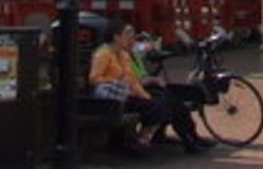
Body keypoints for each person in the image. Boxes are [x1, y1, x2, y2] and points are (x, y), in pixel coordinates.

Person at [88, 19, 214, 154]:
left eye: (132, 34)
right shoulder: (103, 54)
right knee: (158, 105)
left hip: (130, 93)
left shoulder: (124, 54)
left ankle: (190, 137)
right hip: (114, 97)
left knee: (171, 101)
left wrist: (145, 92)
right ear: (116, 36)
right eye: (128, 34)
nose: (132, 38)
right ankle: (143, 140)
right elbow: (94, 79)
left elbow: (133, 80)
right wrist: (119, 81)